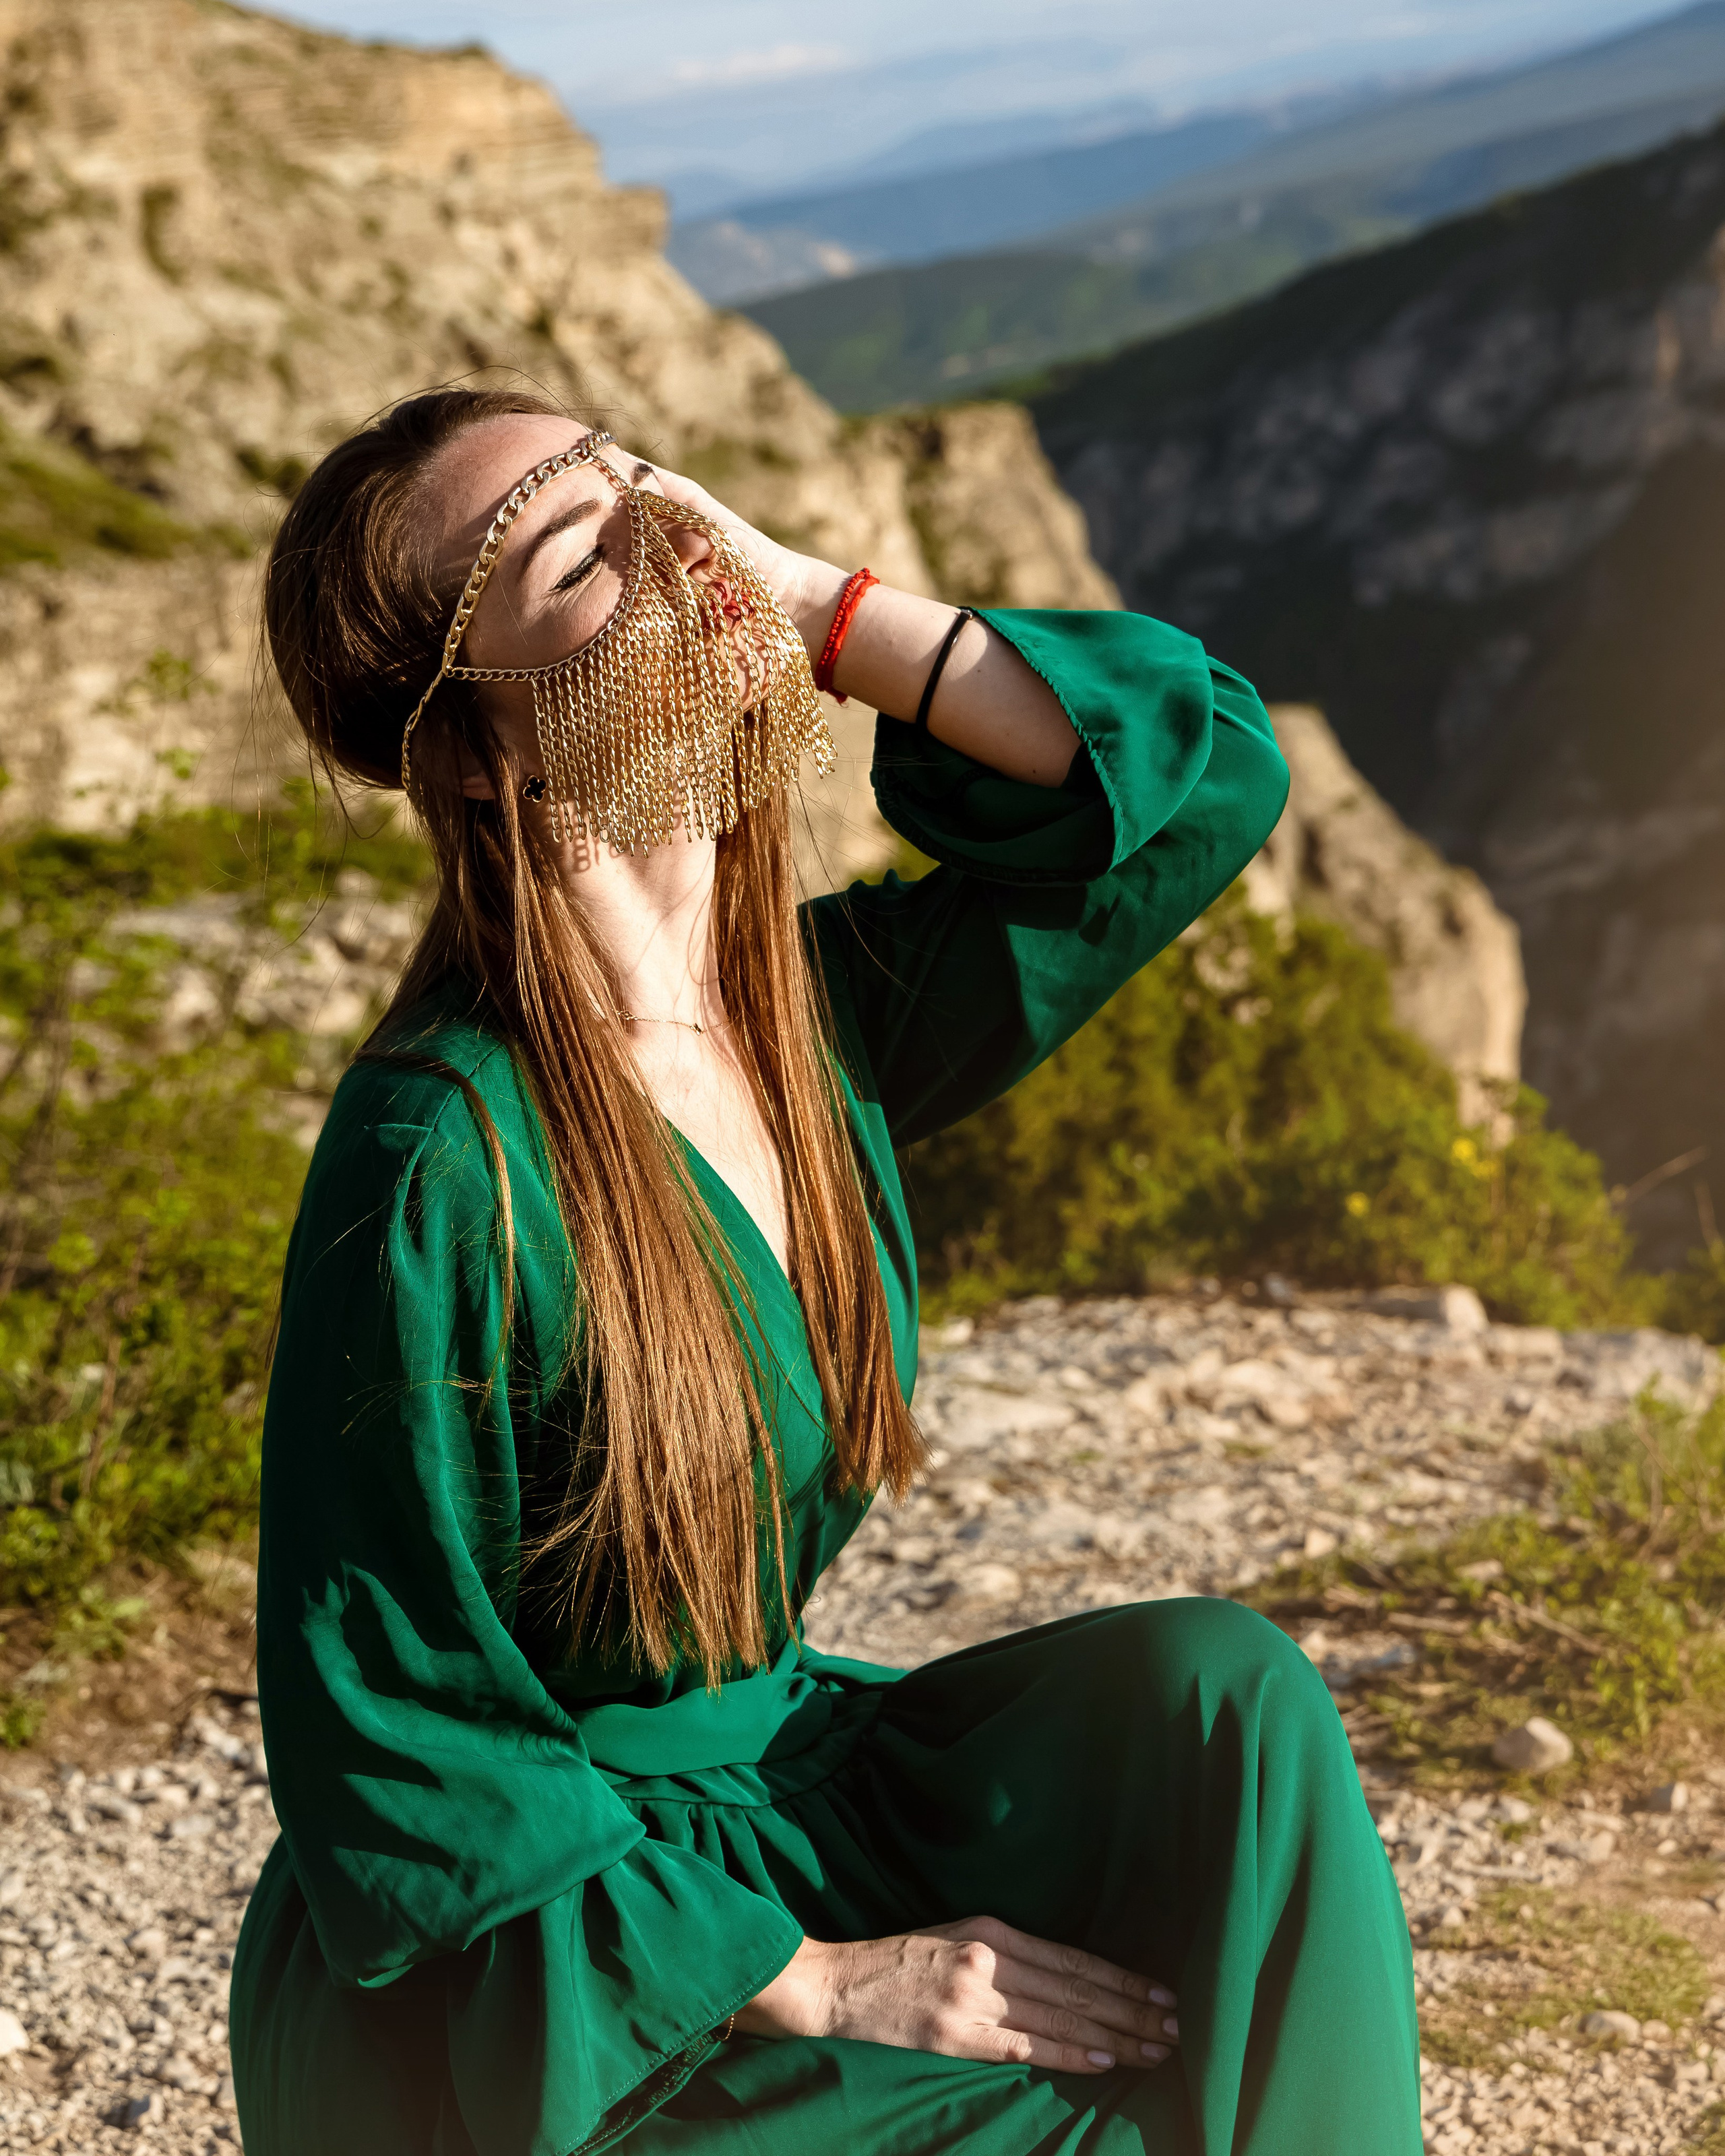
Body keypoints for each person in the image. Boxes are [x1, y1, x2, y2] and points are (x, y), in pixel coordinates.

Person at [228, 385, 1422, 2156]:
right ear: (484, 748)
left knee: (1228, 1708)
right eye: (578, 553)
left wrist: (819, 609)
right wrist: (821, 1979)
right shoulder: (440, 1157)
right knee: (1113, 2136)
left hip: (775, 1784)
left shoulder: (808, 1020)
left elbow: (1204, 776)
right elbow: (398, 1734)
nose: (674, 545)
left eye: (650, 487)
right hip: (561, 1943)